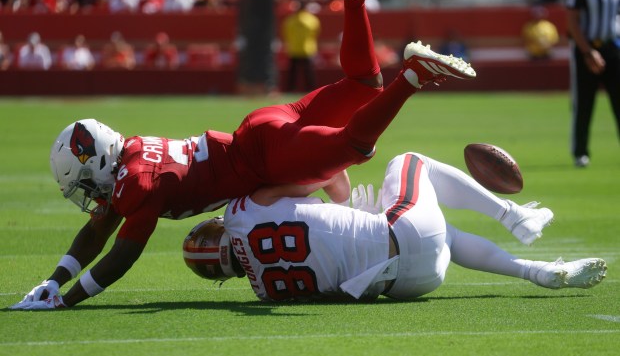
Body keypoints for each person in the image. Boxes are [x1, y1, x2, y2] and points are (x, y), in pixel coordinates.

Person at [9, 0, 476, 310]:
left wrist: (67, 300)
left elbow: (121, 255)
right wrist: (54, 280)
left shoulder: (138, 185)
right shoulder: (132, 154)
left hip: (264, 157)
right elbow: (97, 230)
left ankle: (411, 77)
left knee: (353, 145)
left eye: (87, 183)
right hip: (259, 126)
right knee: (362, 83)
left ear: (100, 164)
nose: (91, 197)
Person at [183, 152, 605, 302]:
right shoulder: (240, 212)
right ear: (217, 227)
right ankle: (513, 215)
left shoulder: (262, 290)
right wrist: (347, 208)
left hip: (411, 285)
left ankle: (540, 272)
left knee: (447, 238)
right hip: (403, 234)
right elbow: (332, 172)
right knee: (408, 162)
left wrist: (351, 226)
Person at [565, 0, 620, 168]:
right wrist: (588, 52)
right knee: (584, 103)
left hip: (613, 47)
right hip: (586, 49)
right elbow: (572, 19)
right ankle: (580, 153)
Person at [281, 0, 321, 92]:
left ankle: (291, 89)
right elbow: (316, 33)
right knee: (308, 73)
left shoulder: (290, 20)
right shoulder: (312, 19)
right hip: (308, 49)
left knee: (293, 74)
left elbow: (286, 33)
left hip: (294, 49)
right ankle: (311, 90)